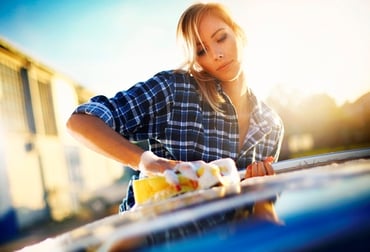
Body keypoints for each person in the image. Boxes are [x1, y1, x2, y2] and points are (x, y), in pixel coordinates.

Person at [66, 2, 284, 212]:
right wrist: (151, 163)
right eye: (201, 51)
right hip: (154, 236)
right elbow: (80, 121)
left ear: (239, 33)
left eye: (221, 38)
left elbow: (257, 213)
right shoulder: (174, 90)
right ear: (195, 60)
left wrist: (261, 198)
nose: (217, 54)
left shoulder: (270, 126)